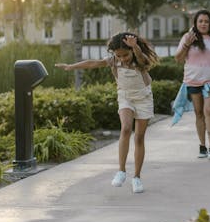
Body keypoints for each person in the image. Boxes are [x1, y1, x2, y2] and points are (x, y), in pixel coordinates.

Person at [54, 32, 158, 193]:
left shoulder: (139, 60)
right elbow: (92, 63)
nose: (123, 58)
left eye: (125, 54)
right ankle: (121, 171)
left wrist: (135, 47)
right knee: (125, 128)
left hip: (143, 98)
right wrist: (71, 66)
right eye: (119, 55)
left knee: (139, 137)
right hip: (125, 97)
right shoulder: (114, 61)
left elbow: (142, 58)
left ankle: (136, 177)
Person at [174, 9, 210, 160]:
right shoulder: (188, 37)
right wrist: (186, 44)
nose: (203, 24)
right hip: (192, 81)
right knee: (199, 113)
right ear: (195, 23)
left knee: (209, 111)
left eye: (206, 21)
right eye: (200, 21)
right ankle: (202, 146)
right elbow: (178, 59)